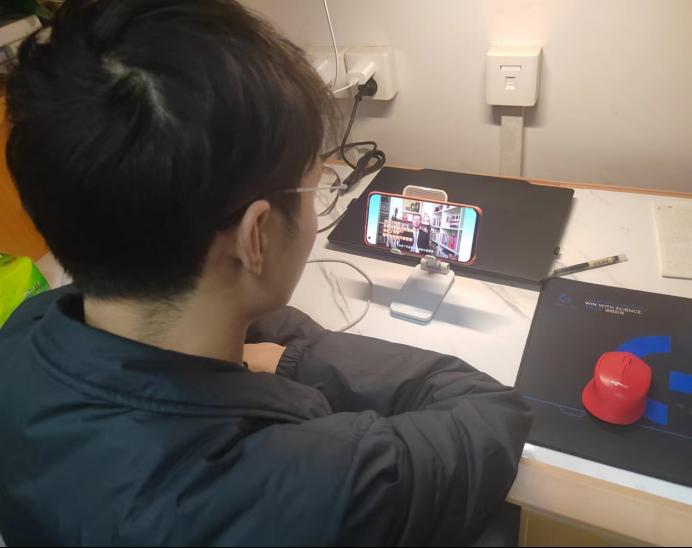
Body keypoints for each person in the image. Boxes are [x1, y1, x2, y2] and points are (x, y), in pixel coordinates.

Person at [0, 1, 532, 546]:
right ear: (256, 236)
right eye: (312, 189)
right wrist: (295, 360)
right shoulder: (316, 485)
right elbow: (488, 411)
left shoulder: (22, 335)